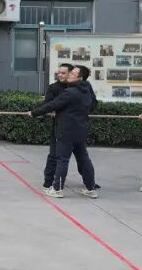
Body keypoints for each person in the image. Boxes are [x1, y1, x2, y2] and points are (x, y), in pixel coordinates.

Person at [29, 65, 97, 198]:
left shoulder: (70, 92)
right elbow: (92, 105)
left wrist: (34, 113)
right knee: (84, 159)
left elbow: (52, 105)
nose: (69, 75)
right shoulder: (86, 90)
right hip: (81, 130)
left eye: (72, 74)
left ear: (80, 78)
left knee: (62, 160)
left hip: (66, 132)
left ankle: (57, 189)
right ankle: (91, 188)